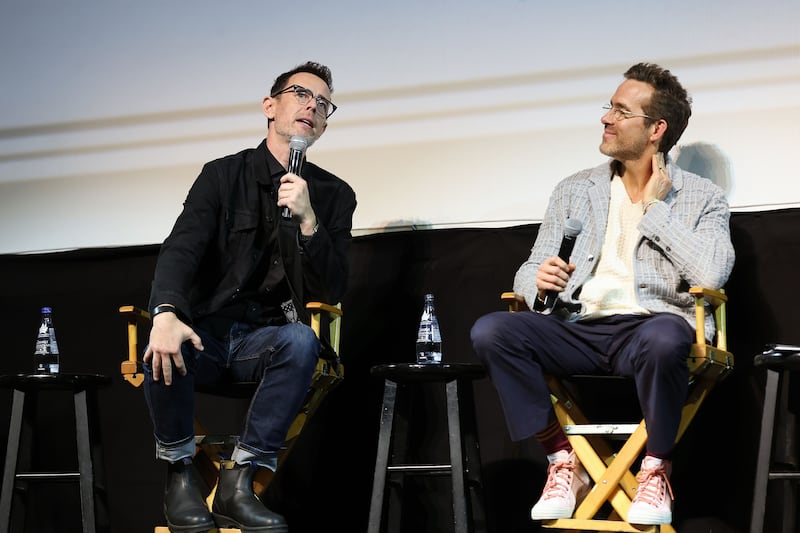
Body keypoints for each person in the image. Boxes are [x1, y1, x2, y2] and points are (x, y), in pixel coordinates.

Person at [470, 62, 734, 525]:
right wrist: (538, 280)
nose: (606, 118)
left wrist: (654, 208)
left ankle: (655, 468)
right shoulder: (575, 190)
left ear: (656, 129)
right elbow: (528, 267)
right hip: (576, 328)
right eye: (608, 107)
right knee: (493, 330)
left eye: (620, 110)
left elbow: (713, 271)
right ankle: (562, 460)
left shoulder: (701, 197)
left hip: (650, 331)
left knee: (667, 337)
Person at [142, 61, 356, 533]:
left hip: (268, 340)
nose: (312, 106)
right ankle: (180, 476)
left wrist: (309, 222)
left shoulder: (335, 195)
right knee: (162, 339)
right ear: (270, 106)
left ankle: (239, 483)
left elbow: (332, 289)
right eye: (301, 94)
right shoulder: (221, 176)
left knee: (301, 340)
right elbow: (182, 247)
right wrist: (165, 312)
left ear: (323, 123)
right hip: (209, 334)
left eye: (323, 103)